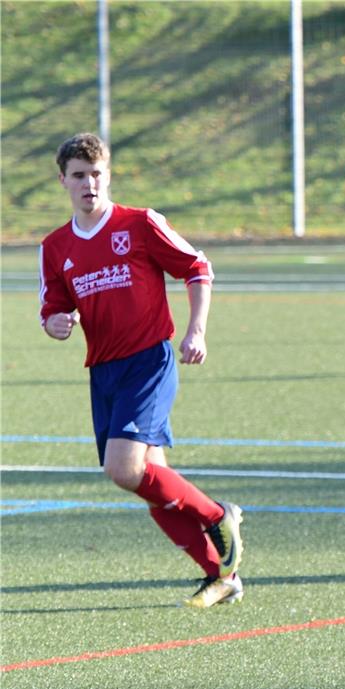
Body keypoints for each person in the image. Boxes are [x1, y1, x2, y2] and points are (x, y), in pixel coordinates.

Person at [38, 133, 245, 609]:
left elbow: (198, 268)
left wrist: (196, 330)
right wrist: (56, 323)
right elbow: (52, 310)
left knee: (123, 469)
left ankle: (219, 515)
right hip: (103, 371)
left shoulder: (140, 223)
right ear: (63, 181)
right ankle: (222, 573)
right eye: (79, 176)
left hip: (149, 360)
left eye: (97, 174)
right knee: (151, 478)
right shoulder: (55, 247)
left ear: (108, 175)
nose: (89, 184)